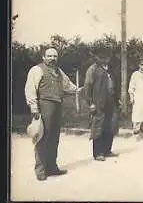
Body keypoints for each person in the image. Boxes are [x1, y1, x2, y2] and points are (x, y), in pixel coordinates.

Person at [24, 47, 80, 181]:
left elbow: (68, 86)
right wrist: (34, 109)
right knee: (42, 137)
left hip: (57, 105)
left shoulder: (59, 72)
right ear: (43, 57)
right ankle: (40, 170)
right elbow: (30, 89)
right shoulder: (36, 70)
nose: (52, 59)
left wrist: (79, 90)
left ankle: (52, 167)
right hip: (44, 106)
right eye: (49, 56)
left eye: (55, 56)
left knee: (54, 138)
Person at [83, 49, 120, 161]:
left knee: (111, 126)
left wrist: (117, 99)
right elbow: (87, 87)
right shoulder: (93, 69)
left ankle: (107, 150)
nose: (105, 59)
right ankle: (98, 153)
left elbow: (115, 85)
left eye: (107, 57)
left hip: (111, 101)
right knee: (98, 127)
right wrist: (90, 103)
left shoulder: (110, 69)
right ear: (97, 58)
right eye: (102, 57)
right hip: (98, 103)